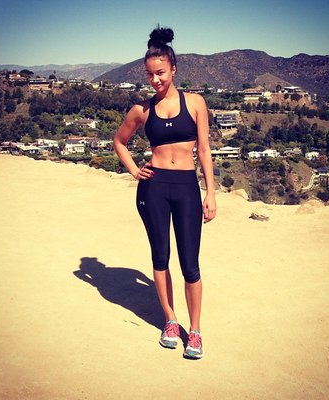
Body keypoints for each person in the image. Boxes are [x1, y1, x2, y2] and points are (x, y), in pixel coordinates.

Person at [114, 26, 216, 360]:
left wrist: (210, 193)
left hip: (186, 187)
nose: (154, 80)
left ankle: (195, 330)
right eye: (149, 74)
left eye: (160, 73)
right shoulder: (141, 110)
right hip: (153, 187)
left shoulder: (196, 103)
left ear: (173, 69)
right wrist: (134, 170)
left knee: (190, 263)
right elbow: (119, 141)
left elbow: (204, 150)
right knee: (160, 257)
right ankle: (171, 321)